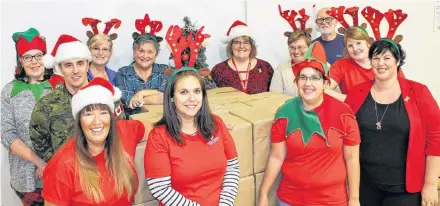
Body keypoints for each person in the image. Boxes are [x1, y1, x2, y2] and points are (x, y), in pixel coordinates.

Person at [258, 42, 361, 206]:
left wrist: (354, 198)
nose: (308, 84)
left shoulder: (344, 113)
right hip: (290, 199)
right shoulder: (284, 113)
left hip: (332, 200)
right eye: (303, 77)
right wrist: (263, 193)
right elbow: (277, 157)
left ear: (326, 83)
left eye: (315, 78)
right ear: (296, 82)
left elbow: (352, 158)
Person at [345, 39, 440, 206]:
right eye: (375, 58)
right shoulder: (356, 93)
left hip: (405, 190)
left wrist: (430, 184)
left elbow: (436, 138)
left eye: (387, 58)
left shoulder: (419, 92)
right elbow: (344, 133)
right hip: (364, 185)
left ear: (397, 61)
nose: (380, 63)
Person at [41, 77, 145, 205]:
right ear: (79, 121)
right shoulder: (62, 164)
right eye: (88, 114)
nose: (97, 121)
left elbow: (154, 128)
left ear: (111, 117)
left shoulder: (124, 132)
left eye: (103, 113)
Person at [144, 68, 240, 205]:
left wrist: (225, 204)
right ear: (171, 98)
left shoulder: (216, 123)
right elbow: (160, 188)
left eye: (197, 91)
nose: (192, 98)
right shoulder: (159, 136)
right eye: (183, 92)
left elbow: (233, 168)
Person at [30, 34, 125, 164]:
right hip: (66, 176)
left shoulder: (106, 97)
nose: (76, 71)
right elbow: (39, 141)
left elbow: (121, 132)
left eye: (80, 63)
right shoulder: (47, 105)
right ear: (60, 69)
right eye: (68, 65)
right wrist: (58, 164)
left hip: (105, 171)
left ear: (87, 64)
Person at [1, 28, 54, 206]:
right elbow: (7, 134)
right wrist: (40, 163)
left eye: (38, 56)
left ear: (46, 58)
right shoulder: (9, 91)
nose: (34, 62)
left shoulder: (59, 86)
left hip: (59, 171)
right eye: (27, 57)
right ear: (21, 62)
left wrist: (51, 163)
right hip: (25, 178)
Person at [116, 13, 167, 116]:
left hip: (162, 123)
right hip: (134, 125)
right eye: (141, 51)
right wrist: (155, 96)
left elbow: (166, 96)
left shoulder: (164, 70)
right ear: (134, 52)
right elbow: (130, 102)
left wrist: (140, 94)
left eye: (150, 52)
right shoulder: (123, 73)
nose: (145, 56)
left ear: (156, 54)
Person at [211, 20, 274, 94]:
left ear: (251, 46)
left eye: (246, 42)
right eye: (237, 42)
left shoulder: (265, 67)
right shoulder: (218, 70)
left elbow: (273, 95)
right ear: (231, 46)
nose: (241, 46)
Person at [270, 30, 311, 96]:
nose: (296, 51)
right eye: (292, 47)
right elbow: (274, 97)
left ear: (309, 47)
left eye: (300, 47)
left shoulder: (321, 66)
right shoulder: (281, 69)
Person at [83, 17, 121, 86]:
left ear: (110, 52)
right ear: (89, 50)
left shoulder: (115, 76)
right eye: (96, 48)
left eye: (105, 49)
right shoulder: (81, 73)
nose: (100, 53)